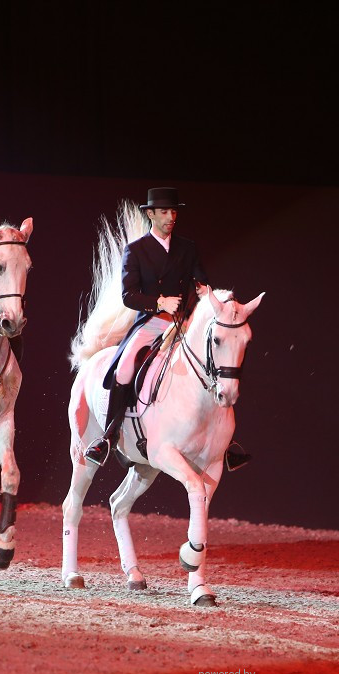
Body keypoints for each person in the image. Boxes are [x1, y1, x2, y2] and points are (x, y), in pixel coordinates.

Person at [84, 187, 251, 472]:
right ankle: (109, 435)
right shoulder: (135, 251)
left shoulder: (187, 248)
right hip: (151, 322)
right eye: (164, 212)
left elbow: (201, 281)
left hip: (183, 325)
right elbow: (129, 296)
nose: (171, 216)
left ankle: (224, 444)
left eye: (174, 211)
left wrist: (205, 292)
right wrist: (159, 301)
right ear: (150, 214)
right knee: (125, 368)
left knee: (212, 366)